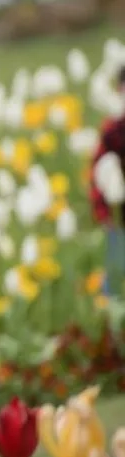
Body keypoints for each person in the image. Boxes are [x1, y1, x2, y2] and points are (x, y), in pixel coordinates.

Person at [88, 65, 125, 296]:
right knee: (115, 267)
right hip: (118, 214)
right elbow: (98, 175)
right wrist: (104, 215)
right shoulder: (112, 132)